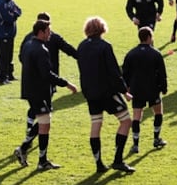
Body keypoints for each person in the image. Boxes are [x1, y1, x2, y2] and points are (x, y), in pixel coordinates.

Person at [13, 20, 78, 170]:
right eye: (48, 31)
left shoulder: (29, 45)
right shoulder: (41, 49)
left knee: (44, 120)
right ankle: (38, 158)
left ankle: (26, 150)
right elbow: (46, 74)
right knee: (45, 123)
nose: (50, 34)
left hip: (29, 90)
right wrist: (66, 83)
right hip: (38, 91)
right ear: (41, 32)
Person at [77, 16, 135, 173]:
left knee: (96, 124)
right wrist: (125, 91)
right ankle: (118, 159)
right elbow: (114, 72)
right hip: (107, 93)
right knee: (126, 121)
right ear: (102, 29)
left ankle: (99, 163)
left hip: (90, 93)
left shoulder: (81, 46)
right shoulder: (105, 46)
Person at [122, 27, 168, 154]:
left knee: (137, 116)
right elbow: (162, 74)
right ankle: (156, 138)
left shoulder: (131, 54)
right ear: (149, 37)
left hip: (136, 90)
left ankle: (135, 144)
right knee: (158, 112)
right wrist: (164, 88)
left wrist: (126, 90)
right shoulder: (156, 54)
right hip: (152, 89)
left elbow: (125, 74)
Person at [0, 0, 22, 84]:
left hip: (10, 33)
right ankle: (1, 77)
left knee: (9, 55)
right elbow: (7, 18)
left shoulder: (10, 1)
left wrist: (13, 14)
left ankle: (9, 74)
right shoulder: (0, 3)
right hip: (2, 34)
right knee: (3, 56)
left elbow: (19, 11)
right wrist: (13, 15)